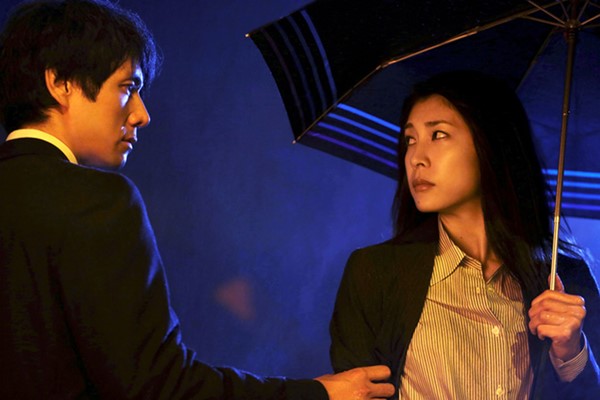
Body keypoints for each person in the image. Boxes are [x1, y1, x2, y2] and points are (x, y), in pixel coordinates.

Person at [0, 1, 396, 399]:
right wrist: (316, 394)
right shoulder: (97, 200)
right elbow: (160, 386)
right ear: (61, 83)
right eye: (128, 88)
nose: (142, 114)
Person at [329, 71, 600, 399]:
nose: (416, 158)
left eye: (438, 135)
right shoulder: (374, 273)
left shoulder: (564, 276)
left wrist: (571, 351)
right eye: (410, 140)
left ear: (491, 144)